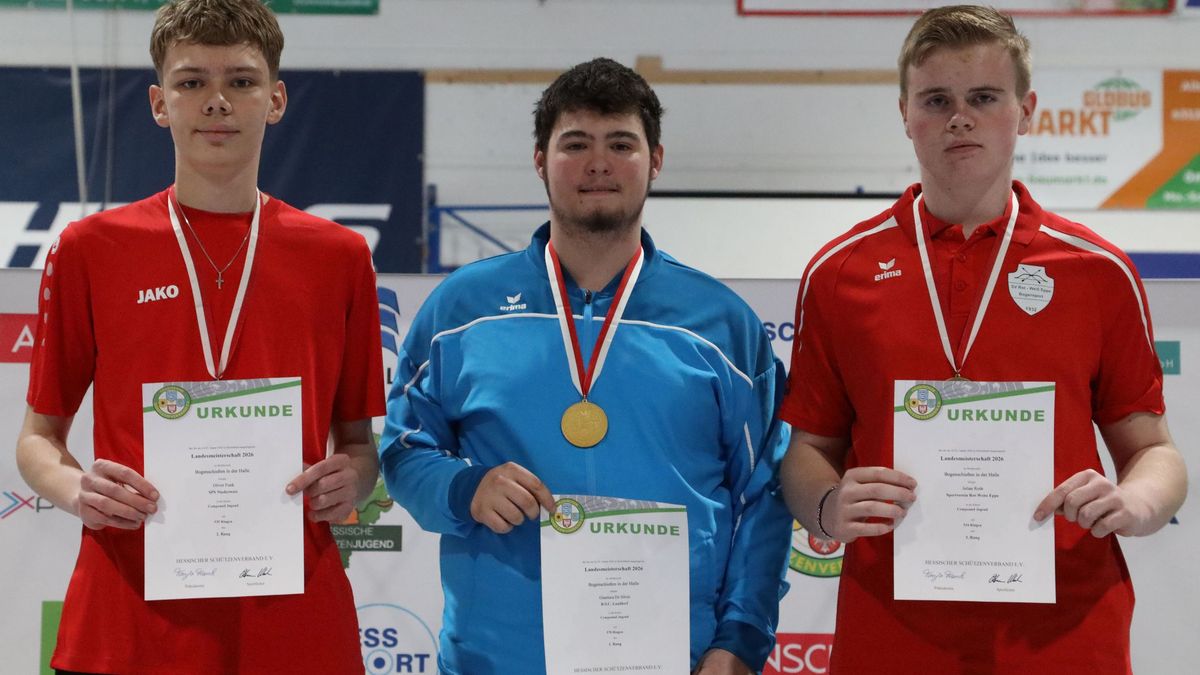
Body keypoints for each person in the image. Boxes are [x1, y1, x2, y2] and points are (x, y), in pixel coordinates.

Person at [779, 5, 1186, 673]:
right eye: (936, 100)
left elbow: (1153, 451)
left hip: (1066, 631)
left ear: (1026, 111)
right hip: (892, 630)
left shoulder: (1098, 271)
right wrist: (827, 504)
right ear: (905, 114)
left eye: (984, 98)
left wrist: (1135, 501)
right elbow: (807, 452)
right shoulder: (840, 273)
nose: (959, 118)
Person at [380, 57, 792, 674]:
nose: (598, 163)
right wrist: (465, 489)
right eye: (575, 144)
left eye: (620, 144)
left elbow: (766, 492)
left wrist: (739, 640)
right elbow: (403, 449)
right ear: (540, 160)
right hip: (497, 660)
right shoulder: (462, 309)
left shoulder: (722, 324)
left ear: (655, 159)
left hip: (672, 659)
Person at [14, 1, 384, 672]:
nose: (217, 101)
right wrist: (77, 491)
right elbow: (38, 438)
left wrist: (353, 481)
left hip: (293, 621)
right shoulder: (91, 248)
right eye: (191, 82)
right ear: (160, 103)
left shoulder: (339, 256)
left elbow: (358, 446)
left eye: (241, 81)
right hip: (127, 621)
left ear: (276, 99)